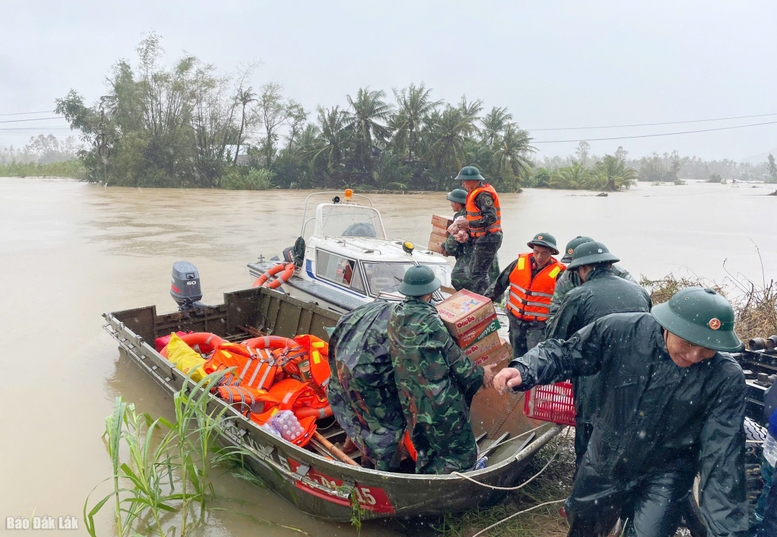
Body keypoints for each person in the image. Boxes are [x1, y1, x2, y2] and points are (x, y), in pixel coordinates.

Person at [493, 287, 748, 537]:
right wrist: (526, 369)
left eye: (706, 349)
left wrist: (727, 531)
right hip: (605, 457)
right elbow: (568, 352)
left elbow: (723, 457)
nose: (694, 356)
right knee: (585, 526)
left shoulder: (725, 377)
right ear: (668, 326)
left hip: (667, 471)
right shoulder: (622, 331)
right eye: (688, 343)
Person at [545, 241, 651, 467]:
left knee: (589, 437)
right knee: (625, 436)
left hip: (593, 380)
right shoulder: (640, 292)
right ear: (609, 265)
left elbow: (555, 338)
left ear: (584, 269)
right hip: (636, 380)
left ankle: (584, 489)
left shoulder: (578, 295)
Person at [388, 265, 495, 474]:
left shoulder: (395, 316)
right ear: (428, 292)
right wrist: (483, 374)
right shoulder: (432, 322)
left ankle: (426, 481)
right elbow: (458, 363)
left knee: (426, 450)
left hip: (410, 401)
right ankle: (460, 487)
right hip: (440, 403)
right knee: (461, 452)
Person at [326, 300, 407, 471]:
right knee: (387, 434)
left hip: (342, 380)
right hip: (365, 384)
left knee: (356, 419)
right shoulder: (403, 326)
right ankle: (382, 474)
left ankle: (353, 450)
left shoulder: (365, 312)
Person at [485, 233, 565, 358]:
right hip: (515, 322)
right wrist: (483, 303)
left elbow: (566, 303)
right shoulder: (519, 263)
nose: (539, 256)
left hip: (538, 327)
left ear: (552, 253)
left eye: (544, 253)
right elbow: (499, 285)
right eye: (536, 252)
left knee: (534, 359)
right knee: (517, 357)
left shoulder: (560, 274)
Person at [547, 235, 637, 324]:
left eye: (580, 264)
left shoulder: (621, 275)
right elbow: (555, 313)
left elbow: (636, 303)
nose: (576, 269)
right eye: (572, 264)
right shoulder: (567, 279)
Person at [440, 188, 500, 291]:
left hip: (471, 267)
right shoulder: (478, 215)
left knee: (461, 282)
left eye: (452, 202)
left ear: (458, 203)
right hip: (490, 265)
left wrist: (443, 247)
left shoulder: (460, 219)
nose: (451, 204)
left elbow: (451, 247)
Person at [458, 165, 502, 295]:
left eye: (464, 181)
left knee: (478, 273)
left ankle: (483, 301)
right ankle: (483, 299)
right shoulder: (475, 194)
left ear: (472, 180)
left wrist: (469, 222)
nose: (463, 184)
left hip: (489, 237)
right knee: (476, 271)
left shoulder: (482, 195)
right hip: (484, 237)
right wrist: (467, 227)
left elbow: (491, 217)